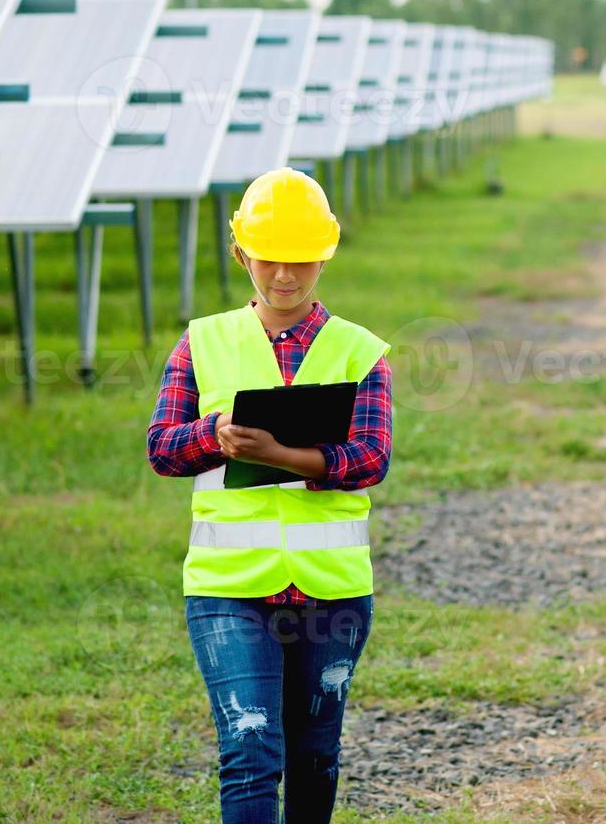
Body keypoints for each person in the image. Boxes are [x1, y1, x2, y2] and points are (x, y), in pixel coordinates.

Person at [147, 167, 392, 822]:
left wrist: (284, 457)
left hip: (330, 591)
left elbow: (372, 458)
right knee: (251, 748)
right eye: (269, 259)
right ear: (241, 254)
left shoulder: (360, 352)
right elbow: (161, 449)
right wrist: (213, 434)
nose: (285, 275)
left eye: (301, 260)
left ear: (325, 256)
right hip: (229, 588)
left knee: (315, 753)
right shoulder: (201, 343)